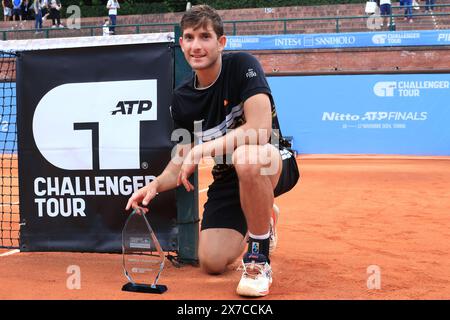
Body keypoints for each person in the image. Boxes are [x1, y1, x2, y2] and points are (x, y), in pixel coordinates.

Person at [125, 5, 300, 297]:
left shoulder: (243, 65)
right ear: (181, 44)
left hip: (272, 161)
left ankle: (258, 259)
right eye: (190, 37)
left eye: (205, 36)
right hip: (228, 177)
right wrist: (155, 184)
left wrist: (202, 149)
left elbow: (259, 129)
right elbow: (181, 157)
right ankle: (262, 215)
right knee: (213, 261)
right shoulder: (182, 99)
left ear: (221, 42)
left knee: (247, 158)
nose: (196, 45)